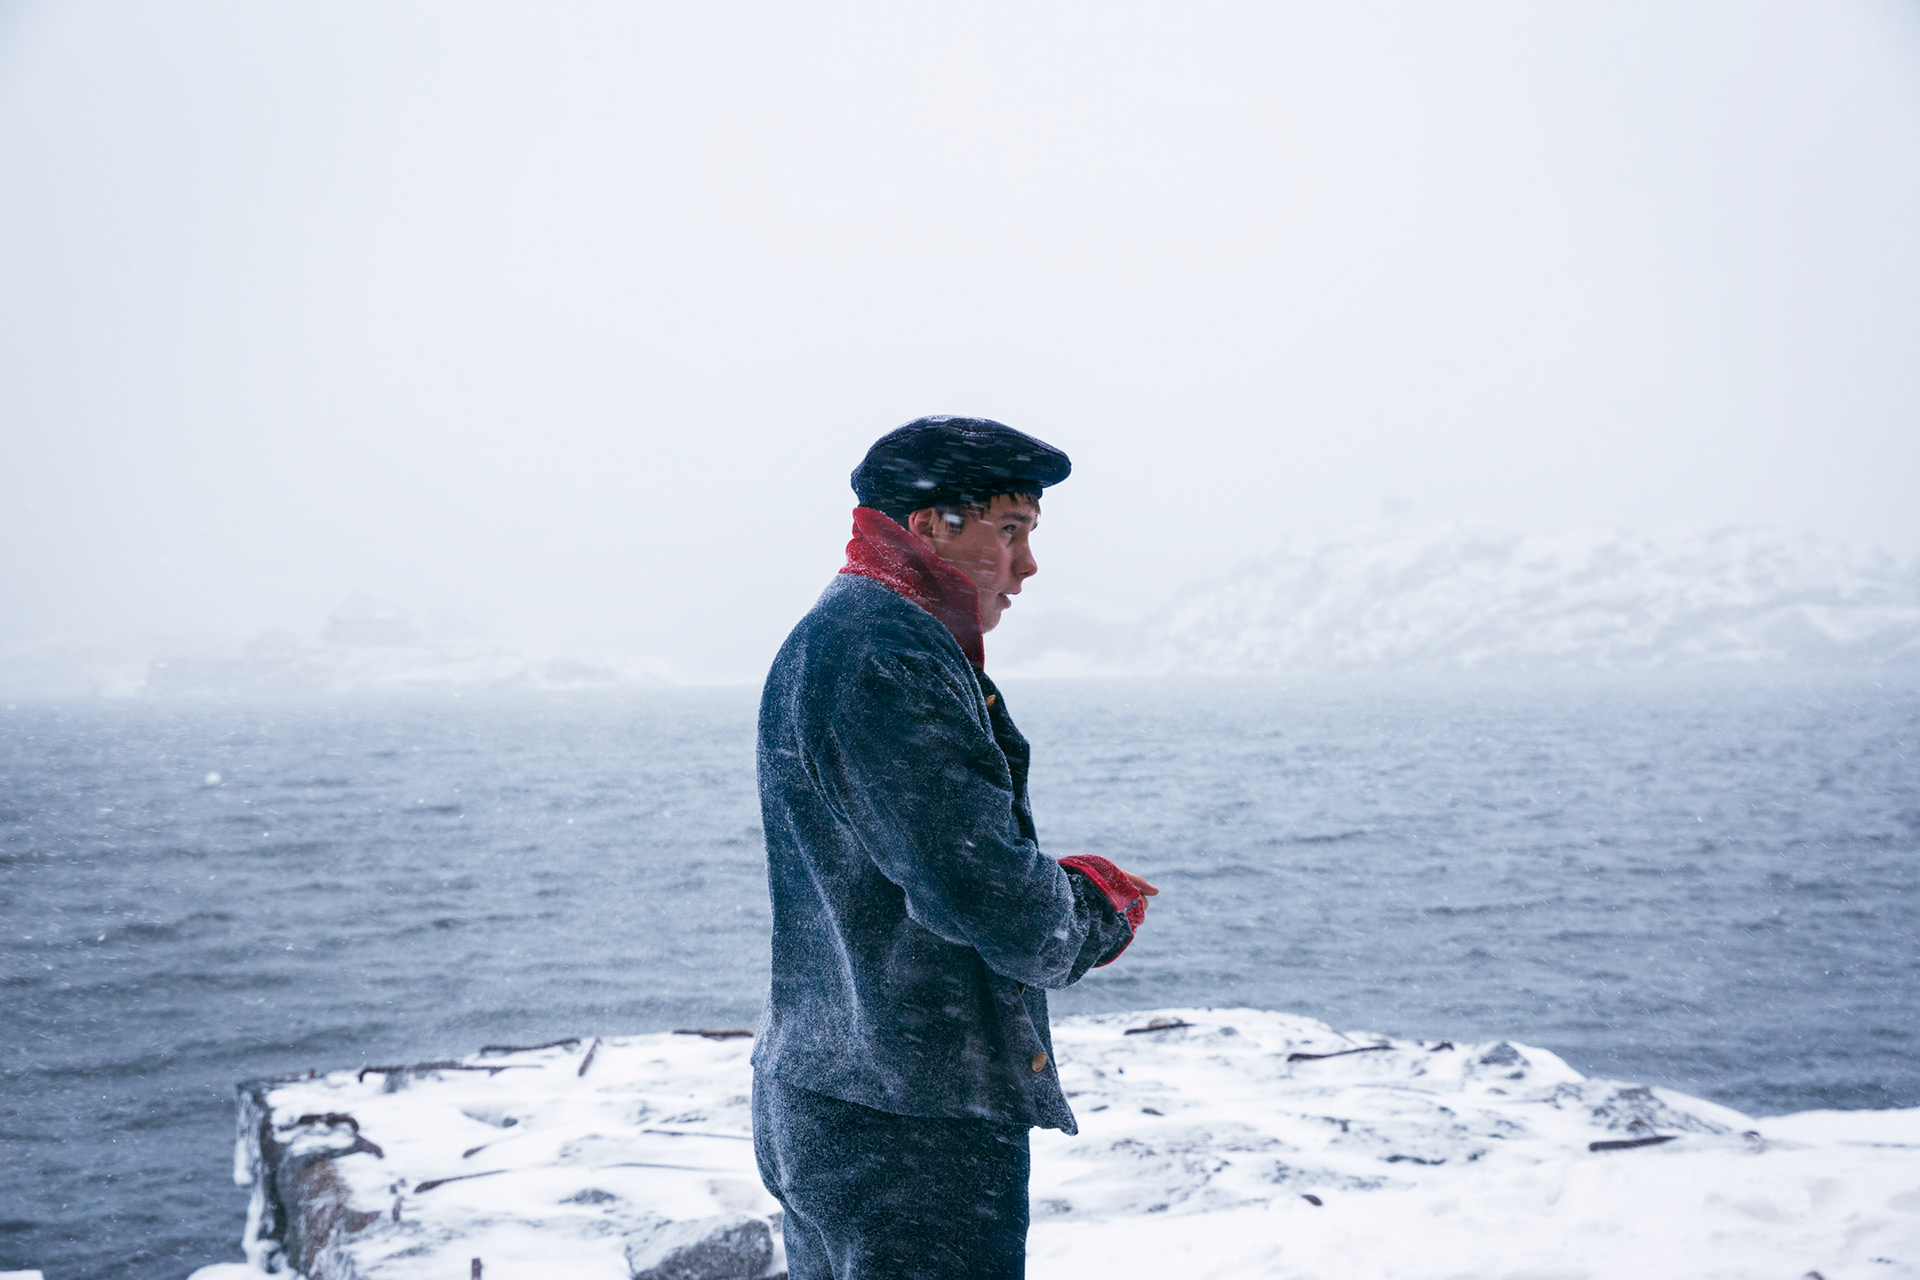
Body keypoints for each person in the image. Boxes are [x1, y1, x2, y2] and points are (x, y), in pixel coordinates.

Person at [751, 415, 1157, 1279]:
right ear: (932, 524)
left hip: (837, 1093)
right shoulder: (887, 651)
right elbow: (995, 901)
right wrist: (1098, 906)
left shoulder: (844, 631)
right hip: (910, 1125)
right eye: (1009, 531)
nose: (1028, 564)